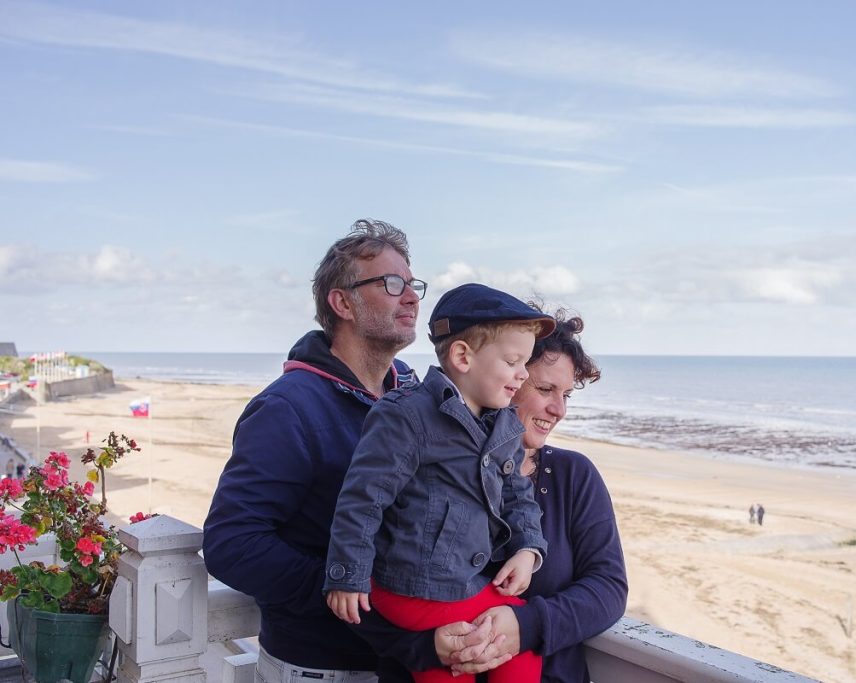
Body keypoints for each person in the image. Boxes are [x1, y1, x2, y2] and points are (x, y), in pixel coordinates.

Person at [204, 219, 452, 682]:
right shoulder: (288, 407)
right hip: (323, 667)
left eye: (413, 283)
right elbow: (232, 544)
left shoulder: (417, 398)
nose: (413, 296)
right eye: (392, 283)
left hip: (408, 662)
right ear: (343, 303)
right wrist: (350, 589)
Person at [362, 306, 628, 683]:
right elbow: (367, 581)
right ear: (501, 374)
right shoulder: (421, 459)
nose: (559, 410)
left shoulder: (574, 476)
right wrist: (425, 648)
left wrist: (526, 625)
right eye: (545, 388)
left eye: (567, 394)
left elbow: (608, 589)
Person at [324, 283, 555, 683]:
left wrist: (528, 549)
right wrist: (347, 576)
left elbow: (518, 495)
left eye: (527, 363)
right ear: (463, 356)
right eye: (514, 361)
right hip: (410, 586)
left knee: (520, 651)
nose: (523, 375)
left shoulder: (505, 424)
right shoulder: (408, 416)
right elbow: (363, 499)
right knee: (460, 655)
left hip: (465, 582)